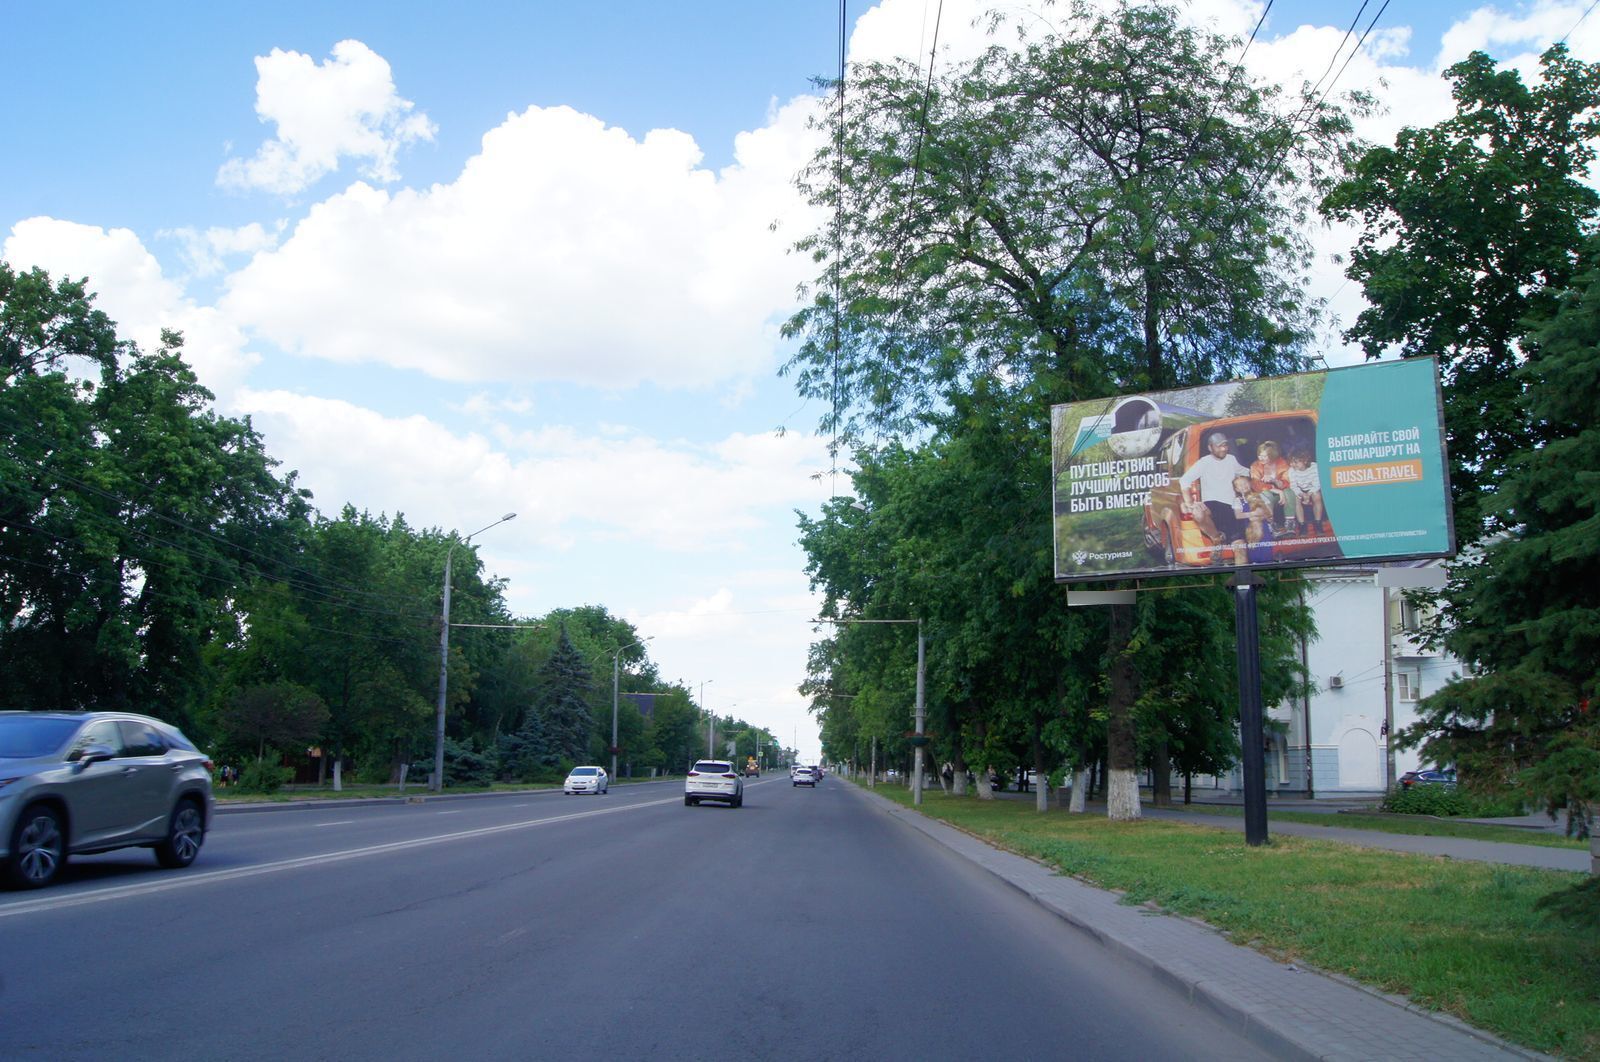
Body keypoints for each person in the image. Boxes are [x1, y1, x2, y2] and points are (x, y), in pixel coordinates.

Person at [1178, 431, 1251, 563]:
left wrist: (1262, 472)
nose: (1223, 449)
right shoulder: (1204, 462)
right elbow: (1184, 480)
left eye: (1225, 445)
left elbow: (1245, 472)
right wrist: (1189, 502)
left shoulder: (1231, 459)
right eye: (1219, 446)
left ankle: (1242, 583)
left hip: (1231, 509)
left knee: (1240, 550)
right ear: (1210, 447)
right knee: (1197, 512)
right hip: (1212, 507)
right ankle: (1216, 539)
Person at [1249, 441, 1292, 529]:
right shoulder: (1255, 466)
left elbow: (1287, 482)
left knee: (1289, 492)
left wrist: (1275, 481)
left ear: (1272, 455)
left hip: (1282, 492)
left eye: (1265, 456)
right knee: (1266, 495)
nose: (1261, 458)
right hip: (1267, 493)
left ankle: (1290, 523)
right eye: (1259, 455)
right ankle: (1271, 524)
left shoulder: (1282, 463)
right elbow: (1257, 485)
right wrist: (1275, 490)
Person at [1287, 447, 1328, 535]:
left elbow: (1317, 483)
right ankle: (1302, 526)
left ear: (1305, 460)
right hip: (1299, 490)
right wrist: (1301, 494)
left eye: (1296, 462)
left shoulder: (1315, 467)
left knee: (1317, 496)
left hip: (1312, 488)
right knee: (1295, 498)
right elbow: (1293, 486)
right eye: (1291, 462)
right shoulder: (1291, 470)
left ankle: (1318, 524)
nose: (1293, 464)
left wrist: (1309, 494)